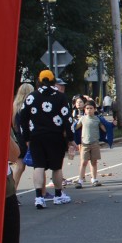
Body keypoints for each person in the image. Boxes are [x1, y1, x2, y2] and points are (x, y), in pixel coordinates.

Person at [22, 70, 77, 209]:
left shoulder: (31, 97)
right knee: (56, 167)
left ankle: (39, 198)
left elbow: (23, 118)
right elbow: (67, 118)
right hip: (55, 137)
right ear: (53, 81)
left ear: (39, 81)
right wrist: (70, 138)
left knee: (38, 166)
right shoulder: (60, 97)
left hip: (36, 137)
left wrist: (26, 137)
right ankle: (58, 195)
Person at [75, 101, 108, 187]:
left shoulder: (98, 119)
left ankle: (94, 179)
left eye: (91, 108)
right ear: (84, 110)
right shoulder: (82, 119)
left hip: (95, 143)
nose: (89, 110)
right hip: (84, 144)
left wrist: (111, 125)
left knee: (94, 162)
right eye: (87, 108)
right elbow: (76, 128)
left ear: (94, 109)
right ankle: (80, 180)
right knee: (83, 162)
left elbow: (104, 129)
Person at [11, 82, 34, 189]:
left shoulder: (14, 106)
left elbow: (13, 124)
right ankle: (42, 192)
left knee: (19, 166)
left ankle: (13, 190)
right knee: (39, 166)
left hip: (18, 137)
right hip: (28, 137)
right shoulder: (29, 106)